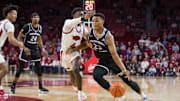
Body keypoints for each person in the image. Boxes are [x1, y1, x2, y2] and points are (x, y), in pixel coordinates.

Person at [67, 13, 148, 101]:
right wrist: (75, 49)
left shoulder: (108, 36)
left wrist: (123, 69)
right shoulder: (90, 34)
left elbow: (114, 54)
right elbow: (86, 44)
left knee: (127, 79)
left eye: (97, 21)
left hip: (112, 60)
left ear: (102, 22)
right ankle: (116, 94)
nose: (94, 23)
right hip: (102, 61)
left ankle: (142, 95)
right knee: (96, 75)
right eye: (93, 21)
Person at [60, 7, 94, 101]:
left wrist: (76, 48)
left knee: (76, 69)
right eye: (79, 14)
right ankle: (77, 89)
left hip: (75, 52)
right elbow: (78, 20)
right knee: (72, 76)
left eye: (82, 14)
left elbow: (88, 43)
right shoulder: (68, 23)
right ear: (73, 16)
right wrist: (84, 18)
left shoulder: (83, 29)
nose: (81, 16)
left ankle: (80, 93)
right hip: (65, 53)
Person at [10, 12, 49, 94]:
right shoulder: (27, 27)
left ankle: (40, 87)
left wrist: (43, 49)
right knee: (20, 68)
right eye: (34, 17)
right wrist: (23, 48)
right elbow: (19, 38)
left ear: (39, 19)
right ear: (31, 19)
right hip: (26, 47)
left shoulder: (40, 28)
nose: (36, 19)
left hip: (35, 48)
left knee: (39, 68)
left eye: (37, 17)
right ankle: (13, 86)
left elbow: (39, 39)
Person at [0, 5, 30, 96]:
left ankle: (0, 89)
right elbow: (11, 40)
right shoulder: (9, 24)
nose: (15, 16)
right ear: (8, 14)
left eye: (16, 14)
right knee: (4, 69)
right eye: (13, 14)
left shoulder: (1, 22)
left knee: (3, 68)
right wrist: (21, 44)